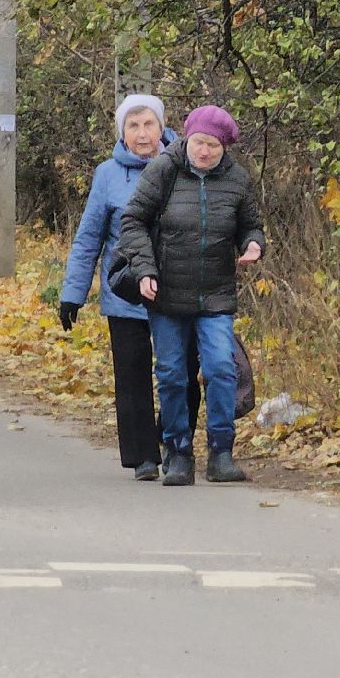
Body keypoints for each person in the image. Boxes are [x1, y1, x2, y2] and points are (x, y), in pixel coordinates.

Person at [117, 104, 264, 486]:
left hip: (215, 295)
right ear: (187, 138)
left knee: (220, 368)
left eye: (213, 146)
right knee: (171, 374)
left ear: (224, 148)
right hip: (166, 294)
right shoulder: (163, 170)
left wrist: (253, 244)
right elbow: (132, 220)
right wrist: (146, 269)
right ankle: (178, 452)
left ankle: (221, 452)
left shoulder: (238, 180)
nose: (204, 152)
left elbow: (251, 224)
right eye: (199, 142)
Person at [59, 93, 197, 482]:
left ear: (162, 127)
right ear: (122, 132)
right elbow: (89, 238)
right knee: (133, 375)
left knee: (182, 371)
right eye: (133, 126)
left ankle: (175, 445)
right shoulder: (107, 175)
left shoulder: (185, 166)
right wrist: (73, 292)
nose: (141, 133)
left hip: (177, 290)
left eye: (148, 124)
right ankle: (143, 456)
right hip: (126, 291)